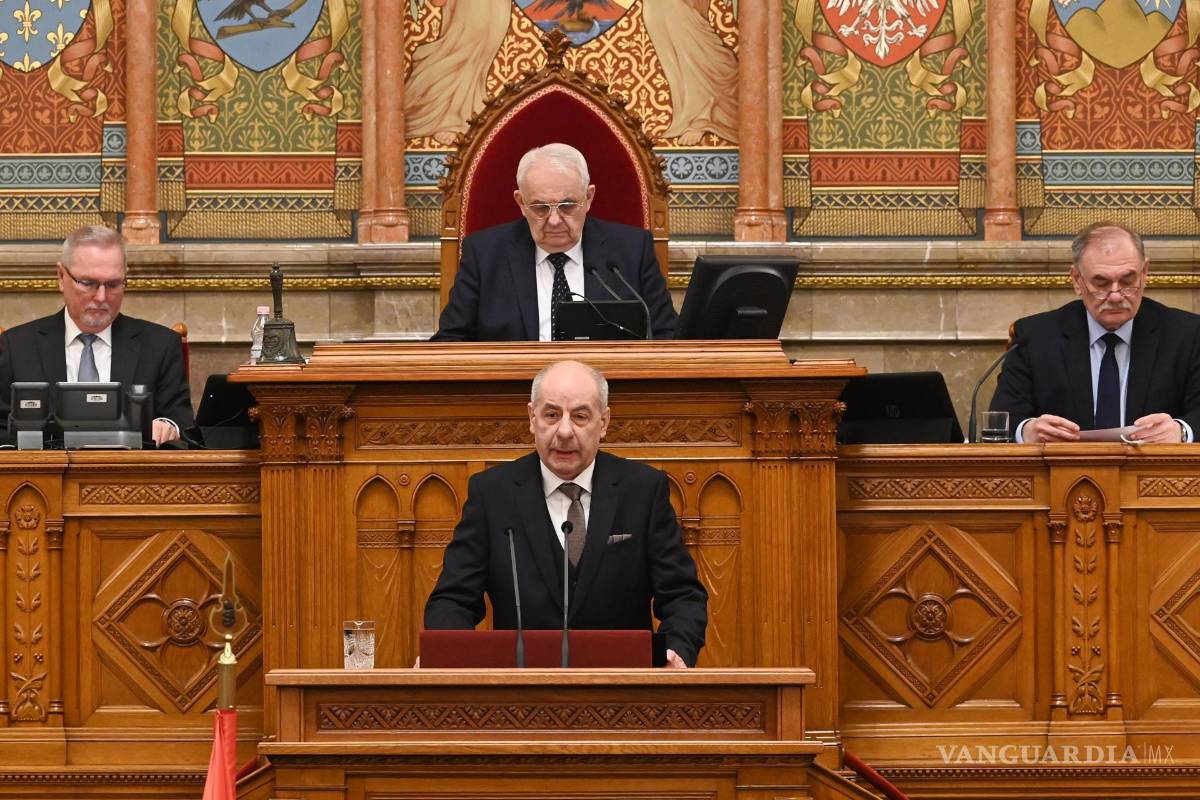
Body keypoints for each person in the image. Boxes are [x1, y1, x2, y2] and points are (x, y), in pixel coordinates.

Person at [424, 359, 708, 667]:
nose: (564, 431)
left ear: (604, 422)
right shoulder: (492, 494)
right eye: (551, 415)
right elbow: (452, 600)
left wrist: (673, 653)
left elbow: (682, 596)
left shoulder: (642, 490)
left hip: (624, 691)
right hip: (519, 693)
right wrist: (448, 655)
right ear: (532, 418)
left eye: (581, 417)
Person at [431, 143, 678, 341]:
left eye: (567, 205)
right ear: (520, 202)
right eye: (540, 207)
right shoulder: (484, 254)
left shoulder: (631, 251)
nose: (555, 220)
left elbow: (667, 336)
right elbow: (451, 340)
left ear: (589, 197)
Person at [990, 221, 1200, 443]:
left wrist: (1182, 431)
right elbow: (1003, 418)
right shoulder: (1033, 337)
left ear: (1144, 273)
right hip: (1064, 472)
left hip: (1155, 474)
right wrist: (1027, 431)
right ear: (1077, 280)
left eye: (1128, 281)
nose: (1116, 295)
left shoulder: (1188, 334)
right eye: (1101, 283)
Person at [0, 225, 194, 446]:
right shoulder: (17, 347)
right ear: (61, 277)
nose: (101, 297)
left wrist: (167, 426)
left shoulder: (160, 345)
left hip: (128, 476)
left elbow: (184, 424)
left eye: (113, 284)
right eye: (88, 283)